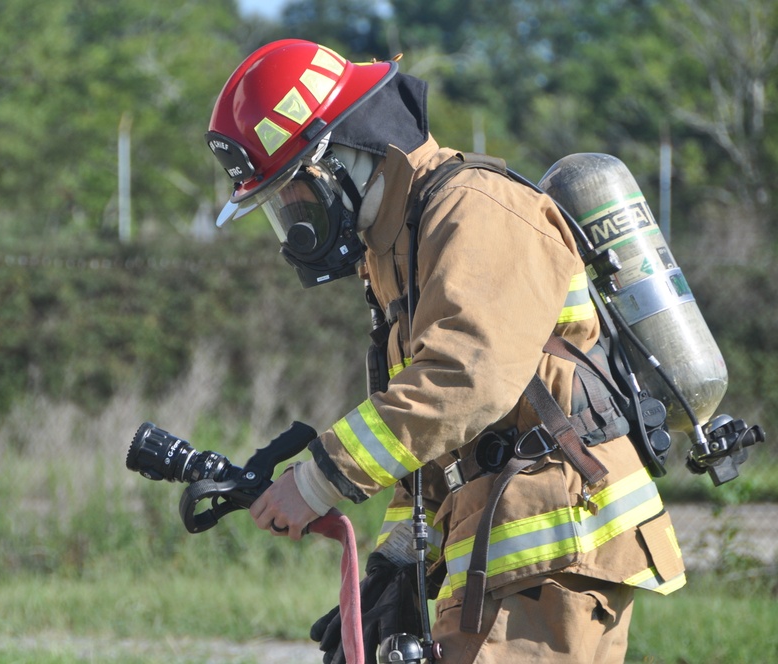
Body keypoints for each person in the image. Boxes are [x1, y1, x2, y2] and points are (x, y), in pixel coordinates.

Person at [204, 39, 686, 663]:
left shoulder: (475, 210)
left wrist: (320, 478)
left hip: (559, 545)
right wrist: (394, 563)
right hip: (502, 552)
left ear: (335, 164)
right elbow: (434, 435)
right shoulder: (398, 247)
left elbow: (466, 379)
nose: (294, 227)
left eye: (293, 197)